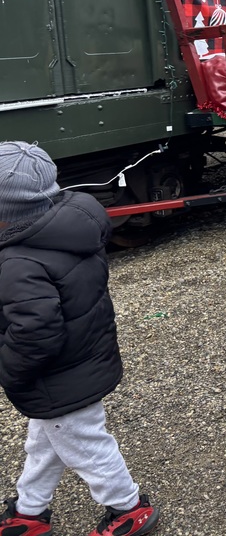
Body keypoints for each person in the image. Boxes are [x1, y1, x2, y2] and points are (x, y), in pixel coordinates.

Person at [0, 142, 159, 536]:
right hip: (83, 357)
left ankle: (129, 508)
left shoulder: (18, 262)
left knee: (87, 446)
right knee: (46, 443)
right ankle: (29, 509)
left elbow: (35, 330)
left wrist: (9, 371)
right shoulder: (67, 232)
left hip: (56, 374)